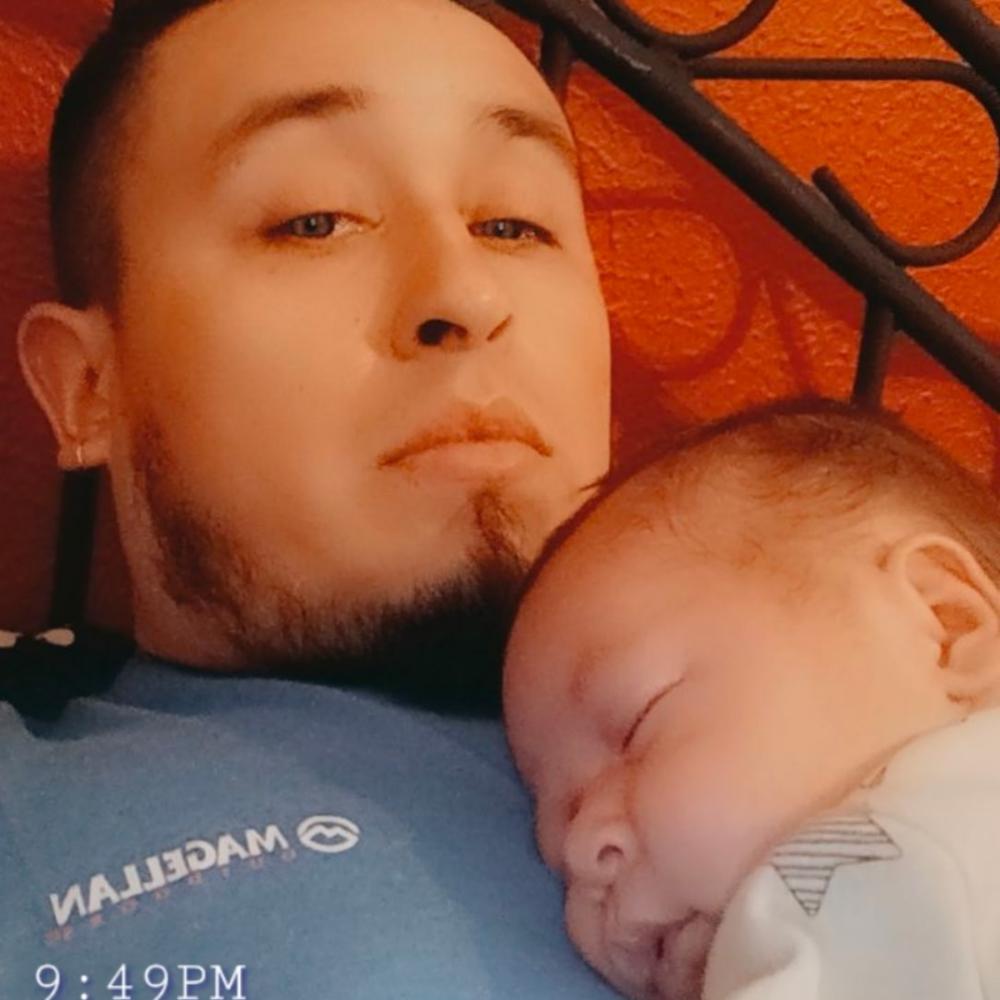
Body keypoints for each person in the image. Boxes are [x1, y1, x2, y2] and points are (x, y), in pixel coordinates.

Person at [2, 0, 621, 995]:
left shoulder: (869, 657)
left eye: (513, 223)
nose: (465, 295)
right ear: (88, 388)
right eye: (313, 221)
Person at [504, 402, 1000, 1000]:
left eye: (639, 721)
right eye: (557, 826)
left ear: (944, 626)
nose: (582, 851)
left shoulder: (906, 852)